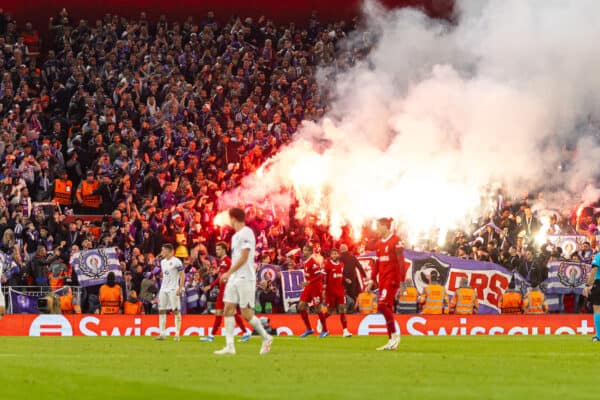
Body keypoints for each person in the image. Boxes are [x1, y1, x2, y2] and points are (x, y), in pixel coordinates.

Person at [214, 207, 273, 355]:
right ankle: (229, 346)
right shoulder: (235, 237)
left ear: (234, 218)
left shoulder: (247, 233)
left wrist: (228, 272)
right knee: (228, 309)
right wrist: (231, 274)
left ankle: (266, 337)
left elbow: (245, 256)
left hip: (245, 277)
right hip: (234, 278)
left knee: (246, 313)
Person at [200, 241, 250, 343]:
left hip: (228, 291)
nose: (216, 251)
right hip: (222, 291)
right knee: (220, 313)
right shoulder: (222, 262)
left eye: (218, 249)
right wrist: (211, 285)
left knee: (230, 313)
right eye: (216, 249)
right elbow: (221, 277)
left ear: (224, 250)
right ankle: (212, 336)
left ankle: (245, 332)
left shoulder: (228, 261)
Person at [367, 218, 403, 351]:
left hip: (392, 280)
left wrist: (402, 280)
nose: (376, 230)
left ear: (385, 227)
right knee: (385, 307)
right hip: (382, 280)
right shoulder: (378, 244)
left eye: (378, 227)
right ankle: (391, 340)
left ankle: (394, 335)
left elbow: (401, 261)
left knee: (381, 305)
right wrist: (372, 279)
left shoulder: (396, 240)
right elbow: (376, 264)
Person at [154, 243, 185, 341]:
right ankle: (162, 334)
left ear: (168, 251)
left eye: (163, 250)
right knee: (161, 310)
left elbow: (182, 275)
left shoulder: (177, 261)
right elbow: (166, 274)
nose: (161, 252)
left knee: (175, 311)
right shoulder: (163, 262)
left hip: (173, 289)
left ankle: (177, 334)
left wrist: (180, 288)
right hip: (163, 289)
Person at [319, 248, 352, 338]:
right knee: (331, 311)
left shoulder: (341, 264)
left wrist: (345, 279)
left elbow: (340, 274)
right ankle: (321, 320)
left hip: (340, 290)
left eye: (335, 254)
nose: (334, 255)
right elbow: (324, 277)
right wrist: (324, 287)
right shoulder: (328, 265)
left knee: (342, 309)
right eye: (332, 254)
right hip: (330, 291)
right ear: (330, 256)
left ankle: (345, 331)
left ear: (339, 255)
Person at [297, 244, 326, 338]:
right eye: (303, 250)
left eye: (305, 250)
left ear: (310, 252)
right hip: (309, 287)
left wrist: (309, 281)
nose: (303, 252)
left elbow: (320, 275)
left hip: (316, 287)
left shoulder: (313, 261)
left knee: (318, 308)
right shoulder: (305, 261)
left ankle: (325, 330)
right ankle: (309, 329)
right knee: (301, 306)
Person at [340, 244, 366, 311]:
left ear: (341, 250)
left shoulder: (339, 258)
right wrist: (365, 276)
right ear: (347, 249)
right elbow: (360, 267)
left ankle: (346, 309)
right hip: (352, 279)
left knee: (344, 294)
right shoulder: (353, 257)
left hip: (343, 279)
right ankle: (354, 309)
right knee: (352, 294)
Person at [584, 252, 600, 341]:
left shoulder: (598, 256)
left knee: (597, 309)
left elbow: (594, 270)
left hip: (599, 284)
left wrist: (588, 285)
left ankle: (598, 335)